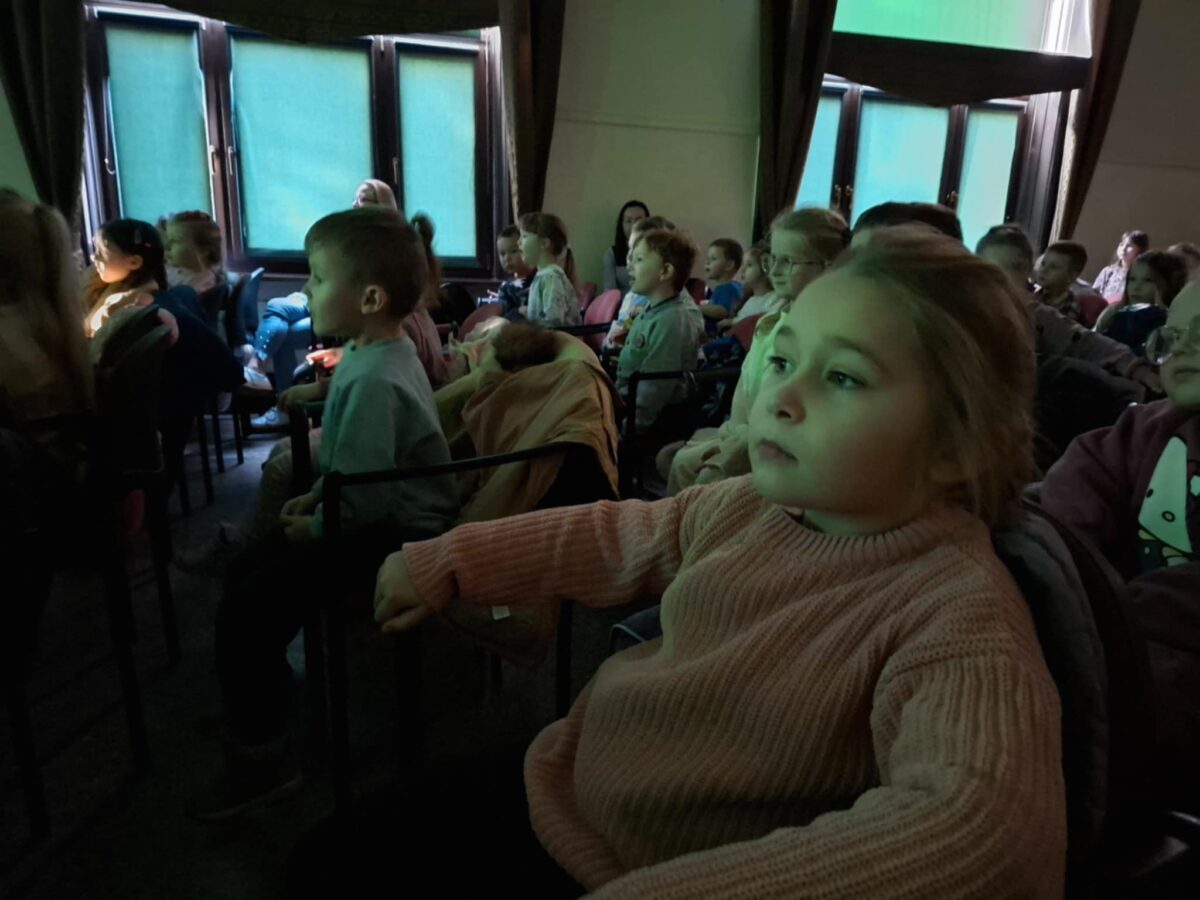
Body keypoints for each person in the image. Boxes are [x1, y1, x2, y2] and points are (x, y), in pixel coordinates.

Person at [368, 227, 1065, 897]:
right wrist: (454, 557)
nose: (781, 399)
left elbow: (985, 841)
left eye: (844, 378)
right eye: (783, 362)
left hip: (635, 866)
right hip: (571, 775)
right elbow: (614, 535)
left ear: (958, 446)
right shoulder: (749, 504)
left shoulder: (959, 619)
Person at [189, 206, 459, 821]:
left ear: (369, 298)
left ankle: (263, 753)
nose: (306, 289)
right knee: (247, 574)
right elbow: (353, 467)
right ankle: (259, 706)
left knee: (251, 608)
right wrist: (316, 501)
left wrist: (314, 525)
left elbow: (369, 500)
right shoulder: (369, 351)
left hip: (397, 536)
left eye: (316, 276)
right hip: (370, 516)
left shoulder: (374, 378)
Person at [1040, 280, 1200, 806]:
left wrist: (1110, 617)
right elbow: (1068, 501)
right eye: (1172, 337)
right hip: (1116, 639)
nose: (1183, 350)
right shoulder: (1143, 430)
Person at [664, 208, 848, 493]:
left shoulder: (823, 333)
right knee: (678, 462)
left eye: (788, 262)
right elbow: (744, 395)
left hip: (773, 439)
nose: (774, 271)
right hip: (740, 429)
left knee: (706, 480)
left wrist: (738, 444)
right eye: (772, 259)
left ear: (827, 267)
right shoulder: (770, 323)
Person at [245, 179, 401, 424]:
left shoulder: (382, 256)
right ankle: (273, 390)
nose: (354, 205)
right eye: (354, 199)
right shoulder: (349, 239)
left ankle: (263, 379)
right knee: (277, 311)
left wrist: (317, 387)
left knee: (280, 320)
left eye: (362, 199)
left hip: (329, 304)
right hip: (321, 304)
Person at [616, 228, 705, 435]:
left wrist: (628, 429)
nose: (630, 265)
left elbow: (655, 387)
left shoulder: (670, 320)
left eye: (639, 259)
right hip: (631, 403)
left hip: (657, 419)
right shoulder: (653, 309)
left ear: (665, 271)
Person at [1093, 250, 1189, 354]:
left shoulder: (1173, 320)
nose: (1136, 287)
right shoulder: (1114, 312)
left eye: (1148, 280)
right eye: (1132, 279)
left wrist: (1161, 315)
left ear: (1167, 285)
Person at [518, 212, 582, 327]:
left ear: (544, 243)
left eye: (524, 236)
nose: (518, 242)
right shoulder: (545, 275)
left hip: (561, 338)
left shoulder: (551, 277)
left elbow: (553, 323)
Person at [1033, 241, 1108, 328]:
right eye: (1043, 264)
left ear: (1070, 277)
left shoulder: (1069, 308)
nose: (1044, 270)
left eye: (1053, 267)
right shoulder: (1038, 294)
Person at [163, 210, 225, 298]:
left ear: (203, 251)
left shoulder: (203, 283)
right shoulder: (171, 271)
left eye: (174, 241)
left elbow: (177, 303)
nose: (166, 245)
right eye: (167, 239)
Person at [602, 199, 649, 293]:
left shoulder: (658, 250)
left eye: (639, 220)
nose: (634, 225)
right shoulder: (612, 254)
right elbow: (609, 291)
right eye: (628, 221)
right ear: (621, 224)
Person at [698, 238, 744, 333]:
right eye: (708, 259)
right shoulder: (727, 287)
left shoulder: (728, 288)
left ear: (729, 265)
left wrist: (698, 308)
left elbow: (722, 311)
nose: (707, 263)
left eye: (713, 259)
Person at [492, 224, 537, 318]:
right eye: (502, 254)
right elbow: (505, 316)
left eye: (513, 251)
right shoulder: (506, 288)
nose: (507, 258)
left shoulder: (541, 277)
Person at [729, 241, 780, 322]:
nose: (742, 269)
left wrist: (732, 322)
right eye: (743, 264)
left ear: (766, 268)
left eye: (749, 265)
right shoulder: (749, 300)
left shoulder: (774, 300)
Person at [1092, 229, 1149, 300]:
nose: (1124, 248)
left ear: (1141, 250)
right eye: (1122, 244)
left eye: (1130, 245)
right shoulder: (1108, 271)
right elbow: (1095, 295)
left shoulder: (1143, 275)